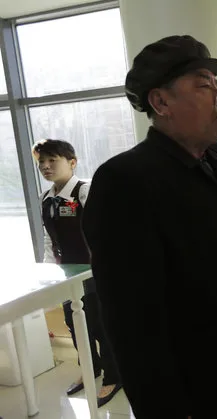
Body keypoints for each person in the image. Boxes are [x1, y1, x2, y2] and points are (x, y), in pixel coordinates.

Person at [81, 35, 217, 419]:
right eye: (203, 84)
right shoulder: (124, 181)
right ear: (161, 102)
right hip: (192, 382)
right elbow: (129, 319)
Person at [33, 140, 122, 407]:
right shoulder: (46, 198)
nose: (46, 167)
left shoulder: (85, 191)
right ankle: (90, 369)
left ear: (72, 163)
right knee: (75, 324)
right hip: (65, 274)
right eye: (42, 162)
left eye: (53, 160)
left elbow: (108, 233)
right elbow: (50, 239)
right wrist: (48, 272)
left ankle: (113, 376)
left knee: (100, 326)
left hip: (94, 272)